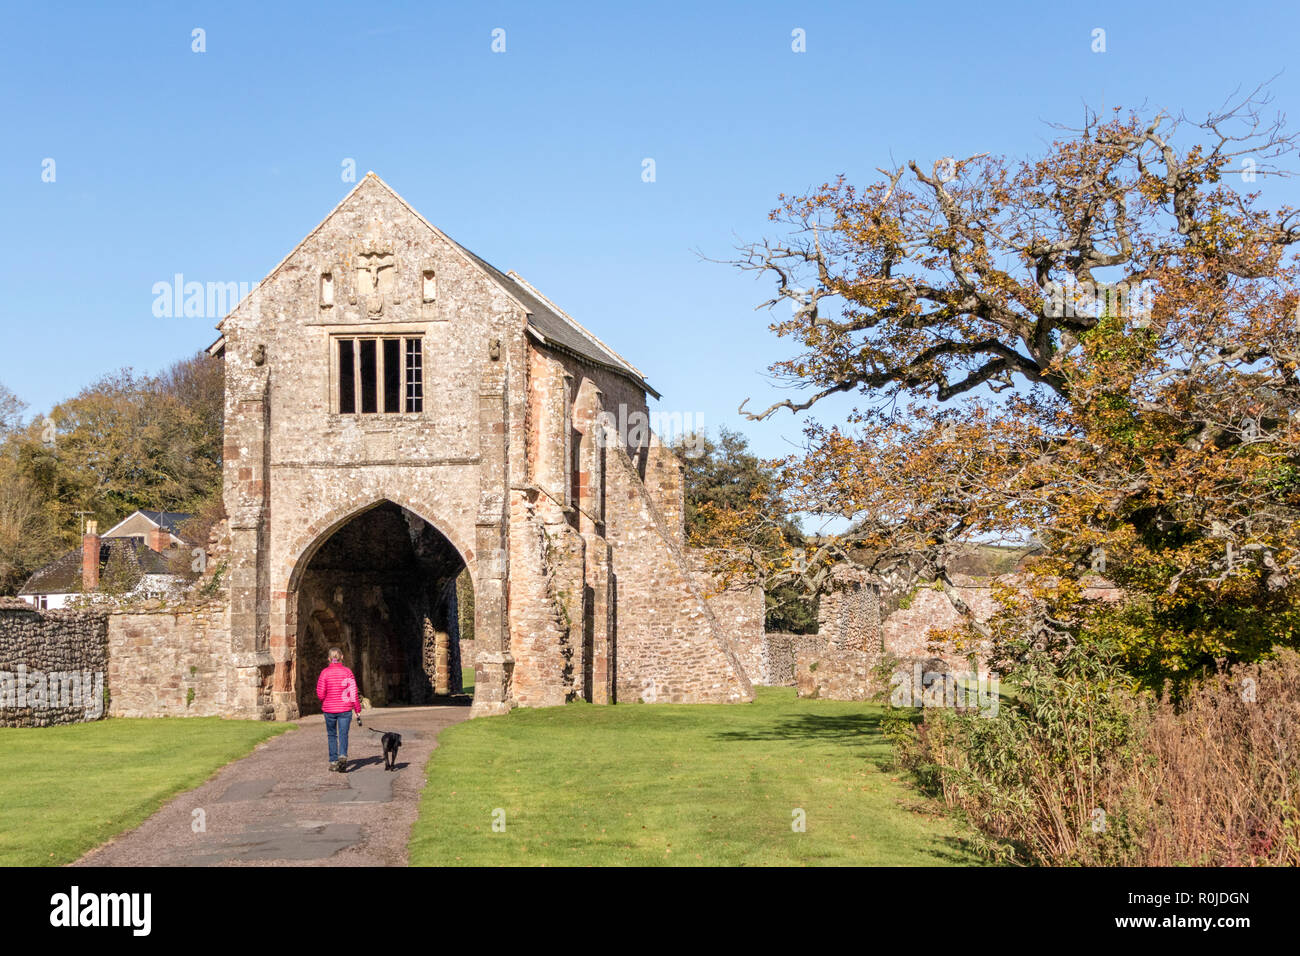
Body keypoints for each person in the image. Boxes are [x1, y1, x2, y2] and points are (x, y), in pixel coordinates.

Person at [316, 647, 362, 772]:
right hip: (345, 709)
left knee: (332, 735)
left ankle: (333, 762)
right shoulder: (347, 672)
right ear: (342, 657)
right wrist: (357, 709)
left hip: (329, 709)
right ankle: (342, 755)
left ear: (329, 659)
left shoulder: (324, 673)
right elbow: (353, 693)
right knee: (343, 734)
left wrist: (326, 700)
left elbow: (320, 693)